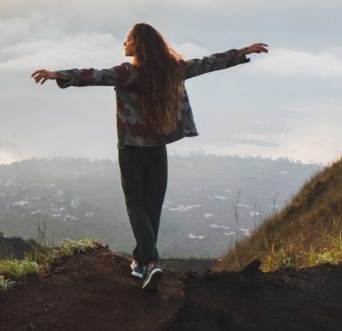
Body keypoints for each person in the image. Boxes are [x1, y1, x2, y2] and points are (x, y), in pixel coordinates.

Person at [31, 23, 268, 291]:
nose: (124, 42)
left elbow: (94, 76)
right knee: (152, 208)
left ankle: (152, 261)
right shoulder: (173, 70)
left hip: (132, 151)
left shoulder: (127, 73)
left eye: (128, 39)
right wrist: (242, 52)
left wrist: (58, 75)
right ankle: (141, 262)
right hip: (158, 150)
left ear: (138, 44)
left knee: (136, 205)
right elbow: (207, 63)